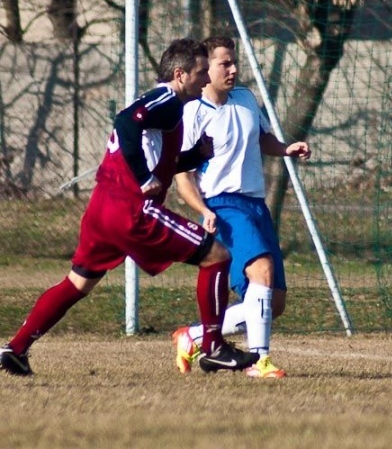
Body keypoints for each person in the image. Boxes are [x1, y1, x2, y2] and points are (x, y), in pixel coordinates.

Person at [0, 39, 258, 377]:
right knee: (217, 256)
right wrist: (142, 177)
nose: (206, 79)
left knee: (78, 282)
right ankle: (213, 347)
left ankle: (16, 349)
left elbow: (161, 160)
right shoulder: (166, 99)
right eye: (200, 72)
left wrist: (196, 156)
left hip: (102, 209)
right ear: (180, 74)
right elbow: (124, 122)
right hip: (131, 210)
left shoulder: (169, 109)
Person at [171, 36, 310, 379]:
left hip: (255, 205)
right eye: (225, 64)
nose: (233, 69)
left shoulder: (246, 98)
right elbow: (182, 176)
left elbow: (262, 138)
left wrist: (286, 148)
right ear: (206, 69)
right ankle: (259, 361)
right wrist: (204, 210)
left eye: (235, 62)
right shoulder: (193, 112)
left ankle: (194, 336)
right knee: (261, 270)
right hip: (223, 205)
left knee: (273, 302)